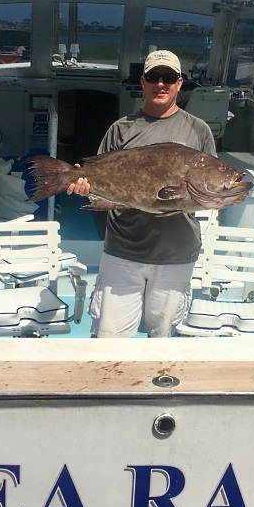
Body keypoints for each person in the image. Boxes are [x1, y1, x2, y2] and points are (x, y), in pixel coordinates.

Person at [67, 50, 218, 338]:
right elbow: (99, 176)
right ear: (143, 82)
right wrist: (83, 183)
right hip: (123, 250)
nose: (160, 84)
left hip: (176, 253)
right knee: (110, 338)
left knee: (162, 340)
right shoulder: (120, 129)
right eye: (153, 77)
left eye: (168, 77)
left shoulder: (199, 130)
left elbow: (207, 188)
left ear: (179, 83)